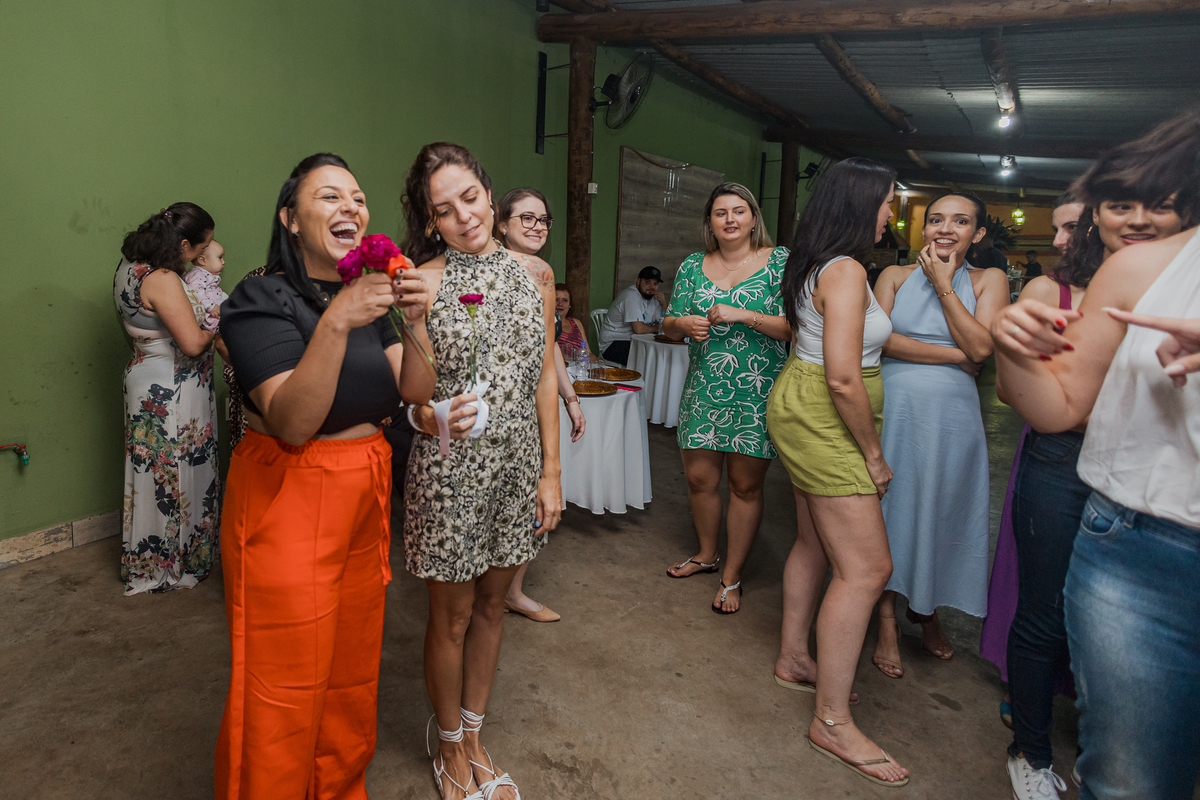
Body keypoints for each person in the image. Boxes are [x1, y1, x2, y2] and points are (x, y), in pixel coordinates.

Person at [214, 153, 440, 799]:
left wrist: (417, 321)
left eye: (359, 197)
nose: (351, 206)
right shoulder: (260, 297)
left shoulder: (373, 296)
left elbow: (414, 392)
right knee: (283, 681)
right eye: (329, 196)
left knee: (349, 669)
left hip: (364, 488)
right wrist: (339, 319)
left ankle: (339, 787)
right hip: (289, 493)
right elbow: (290, 420)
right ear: (290, 218)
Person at [991, 111, 1200, 800]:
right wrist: (1011, 347)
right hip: (1140, 546)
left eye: (1155, 205)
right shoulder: (1139, 270)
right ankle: (1031, 750)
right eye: (1121, 205)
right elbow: (1055, 408)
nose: (1138, 219)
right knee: (1131, 779)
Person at [401, 143, 562, 800]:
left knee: (494, 607)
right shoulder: (427, 279)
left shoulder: (537, 275)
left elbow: (545, 373)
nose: (463, 216)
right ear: (431, 221)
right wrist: (414, 318)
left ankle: (474, 733)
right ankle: (448, 749)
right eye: (444, 210)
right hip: (450, 470)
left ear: (488, 196)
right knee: (454, 617)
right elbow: (414, 393)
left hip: (518, 463)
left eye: (469, 197)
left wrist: (551, 472)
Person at [766, 158, 908, 787]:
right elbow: (844, 376)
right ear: (860, 205)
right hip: (828, 417)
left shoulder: (816, 259)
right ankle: (830, 720)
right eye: (886, 204)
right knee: (868, 568)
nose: (891, 215)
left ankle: (796, 656)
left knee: (812, 543)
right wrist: (873, 454)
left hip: (801, 404)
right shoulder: (848, 270)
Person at [870, 193, 1009, 676]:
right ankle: (886, 613)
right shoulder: (892, 277)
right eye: (936, 219)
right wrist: (955, 357)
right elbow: (878, 339)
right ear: (921, 228)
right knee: (892, 505)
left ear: (978, 233)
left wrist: (945, 284)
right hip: (896, 408)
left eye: (961, 220)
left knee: (940, 506)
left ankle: (925, 607)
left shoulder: (988, 280)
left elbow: (983, 345)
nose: (945, 228)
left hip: (953, 417)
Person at [980, 191, 1085, 727]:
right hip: (1057, 450)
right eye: (1059, 228)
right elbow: (1007, 388)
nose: (1060, 241)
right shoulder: (1047, 290)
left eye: (1073, 228)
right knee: (1044, 588)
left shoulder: (1151, 291)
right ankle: (1030, 713)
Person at [661, 182, 790, 614]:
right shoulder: (693, 265)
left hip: (757, 392)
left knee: (745, 486)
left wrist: (746, 315)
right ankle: (706, 553)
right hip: (703, 389)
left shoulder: (779, 263)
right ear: (710, 222)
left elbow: (796, 328)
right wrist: (684, 323)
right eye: (721, 213)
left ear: (754, 217)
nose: (730, 219)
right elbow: (667, 324)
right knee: (700, 480)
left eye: (739, 211)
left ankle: (731, 575)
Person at [113, 202, 219, 596]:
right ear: (186, 244)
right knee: (178, 475)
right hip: (173, 390)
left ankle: (149, 556)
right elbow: (191, 343)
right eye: (200, 249)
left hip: (144, 380)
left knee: (153, 474)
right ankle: (178, 562)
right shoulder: (162, 279)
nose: (200, 259)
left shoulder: (128, 267)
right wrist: (219, 321)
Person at [494, 186, 585, 623]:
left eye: (543, 219)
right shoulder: (489, 268)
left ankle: (512, 590)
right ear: (502, 223)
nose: (536, 227)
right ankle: (492, 594)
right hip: (494, 403)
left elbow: (550, 350)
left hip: (536, 402)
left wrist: (570, 398)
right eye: (525, 218)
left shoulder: (543, 274)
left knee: (533, 499)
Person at [598, 266, 667, 365]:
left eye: (655, 284)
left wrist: (664, 305)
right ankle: (645, 380)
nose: (652, 287)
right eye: (647, 282)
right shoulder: (631, 295)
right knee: (651, 358)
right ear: (638, 281)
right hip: (613, 344)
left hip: (635, 342)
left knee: (659, 353)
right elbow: (639, 329)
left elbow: (662, 324)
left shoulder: (653, 299)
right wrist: (657, 328)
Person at [184, 240, 227, 332]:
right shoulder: (196, 276)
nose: (223, 262)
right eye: (220, 257)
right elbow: (196, 293)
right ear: (202, 260)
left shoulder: (204, 275)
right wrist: (211, 307)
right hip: (211, 317)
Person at [554, 283, 591, 355]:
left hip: (580, 365)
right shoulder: (544, 324)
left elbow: (588, 353)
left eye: (565, 300)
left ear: (569, 304)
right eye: (556, 299)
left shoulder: (576, 323)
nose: (560, 304)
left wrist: (599, 364)